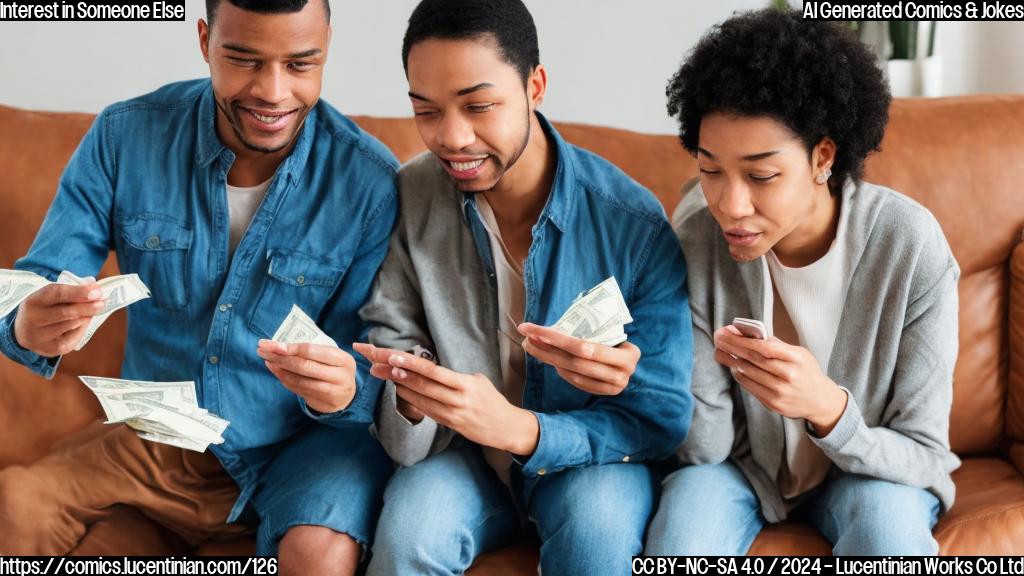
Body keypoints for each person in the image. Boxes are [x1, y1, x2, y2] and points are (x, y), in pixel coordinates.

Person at [0, 0, 397, 572]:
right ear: (205, 40)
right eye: (243, 59)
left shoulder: (370, 182)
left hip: (299, 448)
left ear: (328, 45)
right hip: (156, 438)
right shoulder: (123, 136)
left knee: (319, 554)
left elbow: (372, 367)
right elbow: (35, 282)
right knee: (15, 503)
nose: (273, 92)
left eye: (300, 64)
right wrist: (25, 322)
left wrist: (345, 390)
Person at [352, 0, 693, 573]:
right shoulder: (411, 196)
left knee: (597, 535)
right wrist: (410, 392)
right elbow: (393, 347)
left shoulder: (631, 224)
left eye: (479, 106)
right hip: (460, 454)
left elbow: (660, 417)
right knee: (411, 532)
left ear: (535, 85)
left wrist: (526, 430)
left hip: (588, 458)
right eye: (426, 110)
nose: (453, 137)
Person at [645, 9, 960, 556]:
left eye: (762, 175)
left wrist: (829, 410)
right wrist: (678, 357)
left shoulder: (908, 246)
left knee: (890, 541)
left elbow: (926, 454)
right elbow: (705, 447)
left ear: (823, 157)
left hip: (871, 472)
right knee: (681, 544)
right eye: (710, 169)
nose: (729, 205)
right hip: (739, 471)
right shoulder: (697, 237)